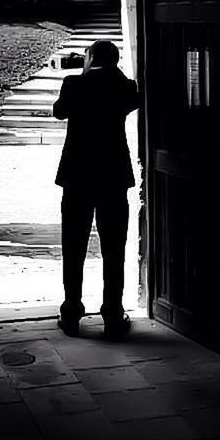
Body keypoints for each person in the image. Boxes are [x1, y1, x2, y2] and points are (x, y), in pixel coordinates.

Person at [53, 39, 139, 340]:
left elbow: (58, 112)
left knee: (73, 247)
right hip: (113, 177)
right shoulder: (126, 87)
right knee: (114, 248)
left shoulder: (74, 84)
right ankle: (113, 313)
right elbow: (132, 97)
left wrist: (85, 72)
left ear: (90, 58)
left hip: (77, 177)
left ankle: (72, 311)